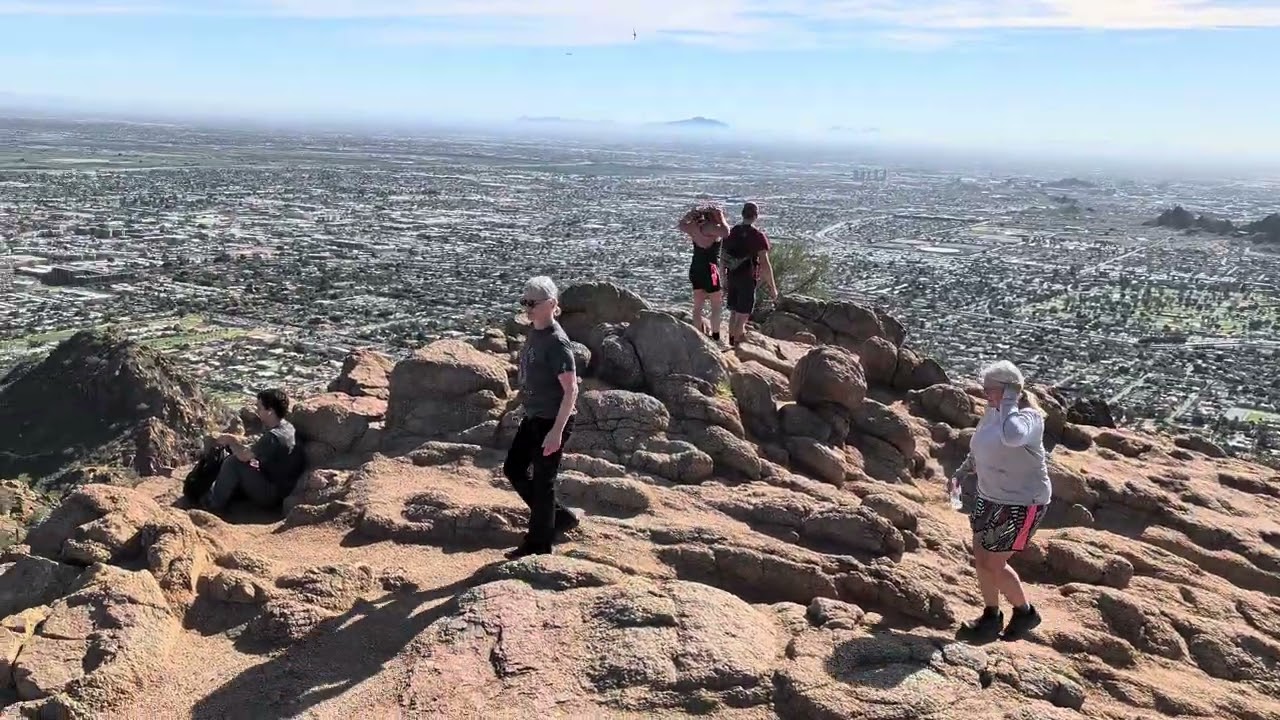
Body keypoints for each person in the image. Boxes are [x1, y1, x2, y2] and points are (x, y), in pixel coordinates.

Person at [949, 360, 1052, 641]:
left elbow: (1012, 437)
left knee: (994, 563)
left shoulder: (1030, 418)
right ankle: (991, 615)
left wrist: (1009, 401)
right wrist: (961, 473)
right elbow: (979, 448)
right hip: (989, 496)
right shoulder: (992, 413)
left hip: (1022, 502)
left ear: (1009, 390)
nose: (986, 395)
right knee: (981, 558)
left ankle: (1025, 612)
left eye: (991, 390)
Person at [504, 276, 580, 559]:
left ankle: (539, 544)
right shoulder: (535, 331)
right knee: (514, 468)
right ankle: (558, 518)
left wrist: (557, 432)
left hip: (552, 420)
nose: (527, 308)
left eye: (533, 303)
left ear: (551, 304)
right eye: (525, 301)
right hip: (534, 416)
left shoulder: (557, 343)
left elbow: (571, 390)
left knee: (543, 482)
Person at [202, 388, 304, 514]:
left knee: (232, 462)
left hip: (272, 494)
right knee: (245, 463)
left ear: (270, 411)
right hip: (284, 488)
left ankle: (214, 505)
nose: (257, 411)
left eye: (260, 408)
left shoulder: (273, 436)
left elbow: (244, 456)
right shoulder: (287, 427)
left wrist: (231, 441)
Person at [722, 201, 778, 346]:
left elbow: (723, 257)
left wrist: (723, 278)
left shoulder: (732, 232)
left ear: (742, 214)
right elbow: (765, 263)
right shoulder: (757, 236)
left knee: (734, 312)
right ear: (756, 216)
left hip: (732, 276)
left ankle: (731, 342)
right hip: (747, 278)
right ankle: (737, 346)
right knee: (743, 315)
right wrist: (772, 288)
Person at [678, 205, 731, 342]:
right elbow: (726, 232)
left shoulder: (694, 227)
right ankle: (715, 336)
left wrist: (690, 214)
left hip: (696, 267)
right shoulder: (712, 227)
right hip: (711, 269)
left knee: (697, 306)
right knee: (716, 305)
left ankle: (698, 336)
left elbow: (681, 224)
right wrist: (722, 218)